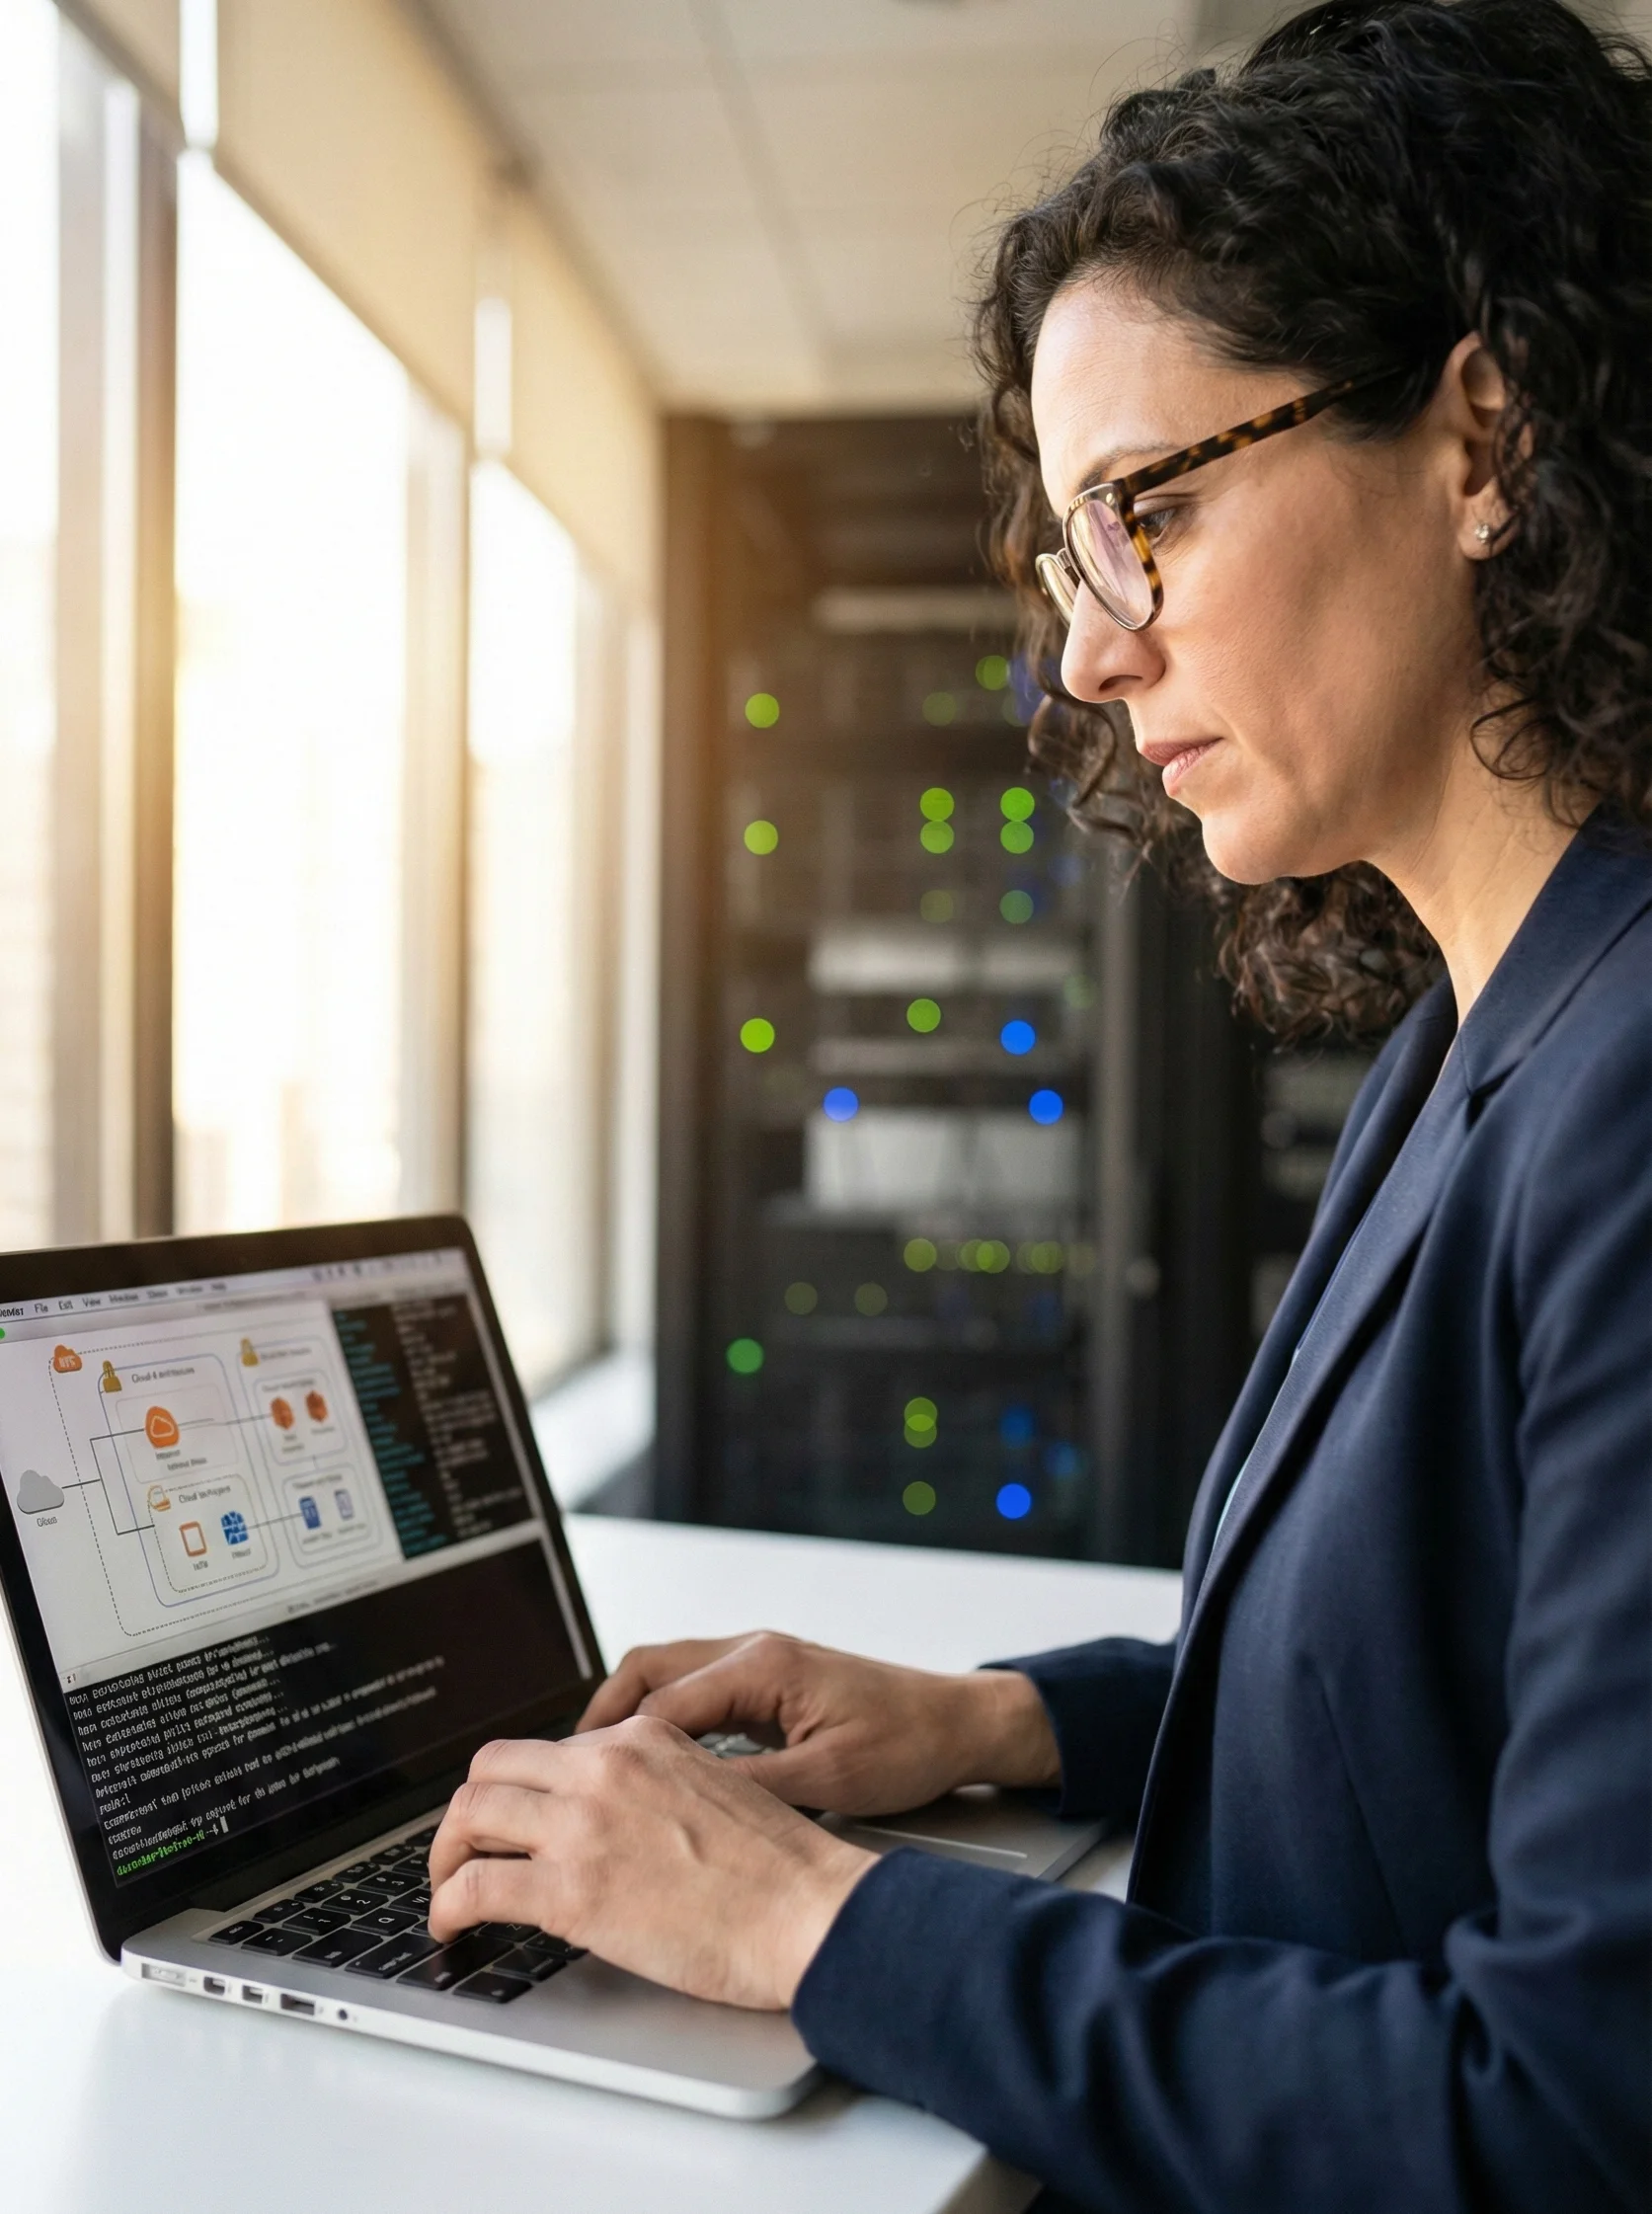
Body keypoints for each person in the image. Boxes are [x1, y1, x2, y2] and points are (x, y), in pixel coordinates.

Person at [425, 2, 1651, 2205]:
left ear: (1479, 438)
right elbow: (1414, 1668)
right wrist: (997, 1717)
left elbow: (1558, 2120)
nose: (1090, 649)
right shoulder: (1474, 1031)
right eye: (1078, 552)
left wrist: (807, 1923)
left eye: (1148, 510)